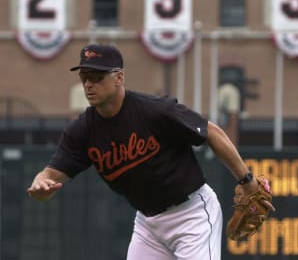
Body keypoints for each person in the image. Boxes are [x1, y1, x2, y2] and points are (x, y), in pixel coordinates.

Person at [27, 44, 262, 260]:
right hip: (148, 224)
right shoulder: (82, 131)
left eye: (97, 77)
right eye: (84, 77)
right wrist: (41, 186)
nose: (89, 84)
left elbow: (212, 132)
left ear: (119, 78)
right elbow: (49, 175)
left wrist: (247, 180)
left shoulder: (154, 111)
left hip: (192, 214)